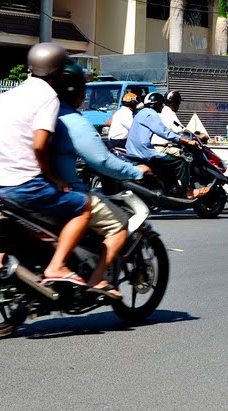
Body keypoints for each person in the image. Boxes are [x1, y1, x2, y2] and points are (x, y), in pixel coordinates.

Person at [0, 43, 93, 286]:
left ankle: (1, 260)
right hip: (23, 185)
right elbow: (40, 145)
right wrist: (53, 177)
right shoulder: (48, 97)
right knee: (83, 206)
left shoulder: (5, 97)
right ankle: (57, 265)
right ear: (58, 73)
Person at [52, 63, 153, 298]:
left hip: (23, 186)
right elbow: (102, 161)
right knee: (120, 223)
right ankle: (97, 279)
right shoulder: (74, 121)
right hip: (70, 187)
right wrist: (136, 172)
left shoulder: (44, 112)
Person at [127, 92, 203, 199]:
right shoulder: (151, 115)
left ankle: (171, 187)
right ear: (156, 104)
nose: (163, 107)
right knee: (180, 161)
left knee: (168, 163)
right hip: (145, 152)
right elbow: (164, 132)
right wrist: (186, 141)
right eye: (161, 104)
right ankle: (187, 190)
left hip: (134, 150)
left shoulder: (141, 113)